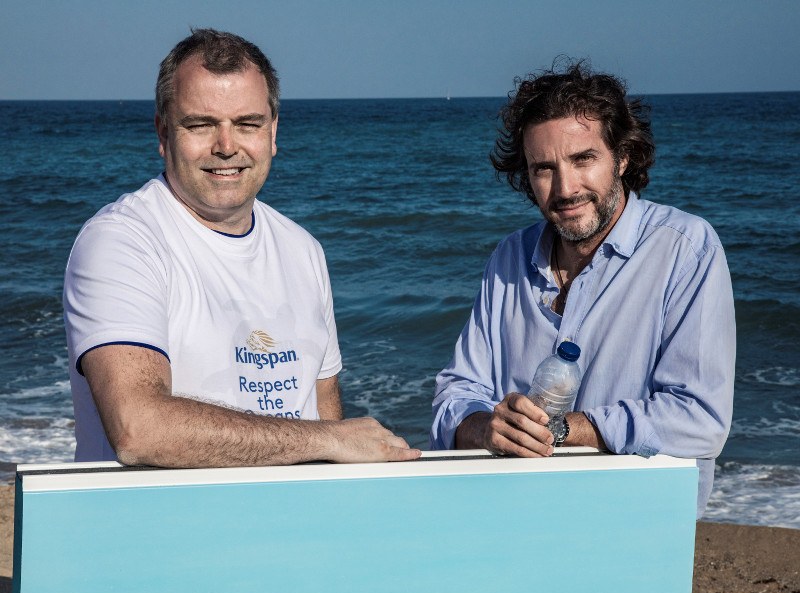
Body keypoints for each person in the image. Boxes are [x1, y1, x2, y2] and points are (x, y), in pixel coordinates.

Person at [64, 29, 420, 467]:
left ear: (272, 133)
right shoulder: (122, 242)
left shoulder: (302, 248)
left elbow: (321, 403)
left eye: (247, 124)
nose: (226, 146)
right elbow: (139, 429)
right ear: (163, 133)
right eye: (200, 125)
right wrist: (326, 440)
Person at [430, 61, 735, 515]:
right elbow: (456, 392)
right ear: (526, 176)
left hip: (635, 521)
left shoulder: (684, 249)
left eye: (582, 159)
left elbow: (700, 420)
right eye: (544, 168)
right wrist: (486, 428)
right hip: (516, 516)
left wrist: (567, 429)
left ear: (623, 156)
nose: (566, 187)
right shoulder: (509, 258)